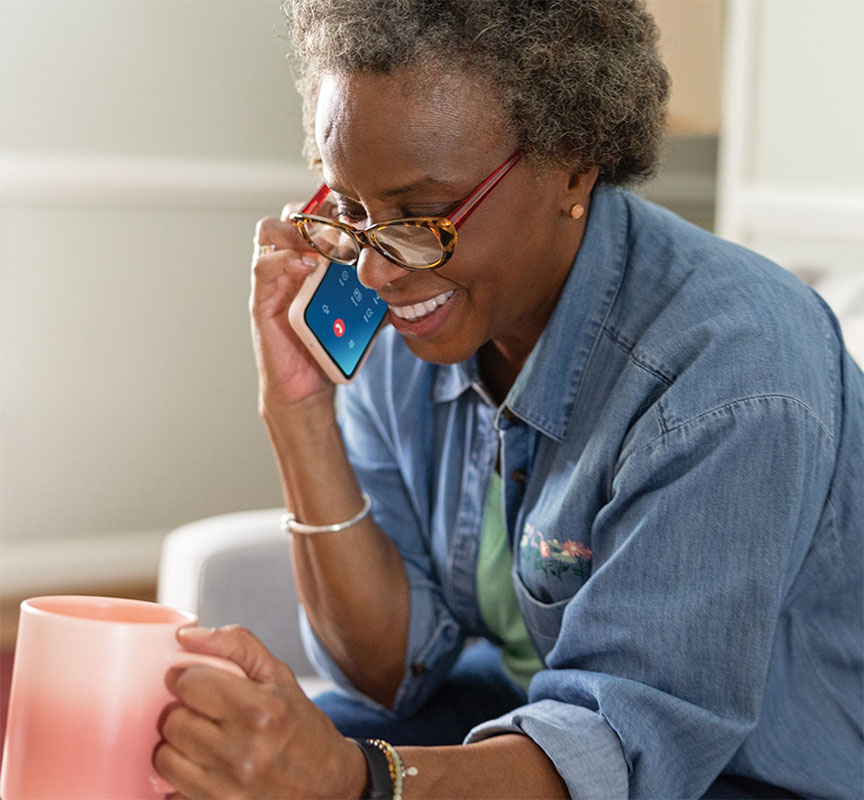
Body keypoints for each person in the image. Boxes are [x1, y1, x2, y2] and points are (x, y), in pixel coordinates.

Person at [153, 1, 864, 797]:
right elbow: (394, 672)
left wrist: (350, 778)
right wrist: (297, 413)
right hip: (530, 714)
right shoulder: (411, 310)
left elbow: (625, 753)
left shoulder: (729, 373)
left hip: (753, 773)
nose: (379, 272)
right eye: (349, 209)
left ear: (574, 164)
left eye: (422, 217)